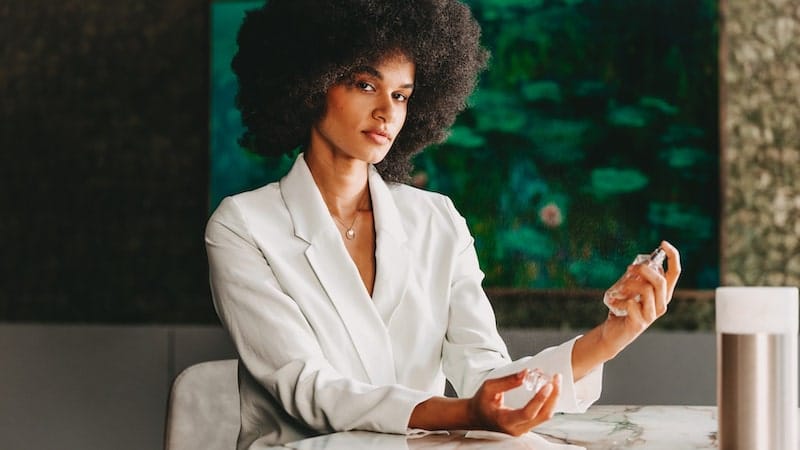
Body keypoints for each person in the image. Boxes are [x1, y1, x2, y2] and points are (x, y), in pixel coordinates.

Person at [204, 0, 682, 448]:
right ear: (309, 82)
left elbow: (486, 377)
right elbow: (308, 388)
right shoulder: (243, 226)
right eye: (366, 85)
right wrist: (467, 414)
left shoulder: (436, 219)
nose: (387, 112)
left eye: (401, 95)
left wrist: (609, 337)